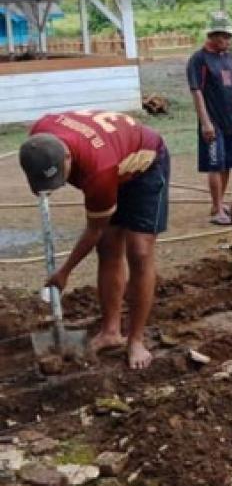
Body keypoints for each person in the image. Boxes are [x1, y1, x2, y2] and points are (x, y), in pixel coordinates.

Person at [19, 111, 170, 369]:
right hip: (113, 158)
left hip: (145, 166)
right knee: (108, 247)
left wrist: (64, 272)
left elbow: (94, 229)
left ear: (67, 156)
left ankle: (135, 340)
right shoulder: (39, 138)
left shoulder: (98, 170)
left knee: (139, 251)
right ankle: (111, 331)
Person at [187, 11, 232, 226]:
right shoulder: (199, 60)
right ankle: (216, 209)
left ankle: (219, 204)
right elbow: (197, 92)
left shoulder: (229, 58)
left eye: (229, 36)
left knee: (227, 163)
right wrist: (206, 123)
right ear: (213, 36)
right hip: (213, 120)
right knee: (215, 163)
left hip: (231, 120)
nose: (229, 40)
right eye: (225, 36)